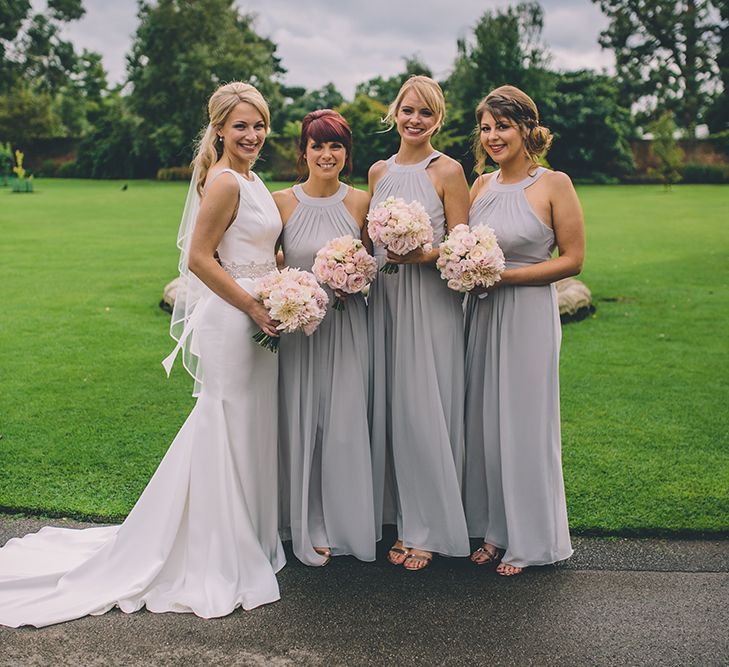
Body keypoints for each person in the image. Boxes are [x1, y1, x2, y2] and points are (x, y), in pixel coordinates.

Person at [0, 82, 285, 627]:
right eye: (241, 126)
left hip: (263, 313)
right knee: (224, 424)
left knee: (249, 425)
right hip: (236, 320)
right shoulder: (225, 181)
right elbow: (201, 260)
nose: (252, 135)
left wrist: (283, 284)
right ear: (220, 128)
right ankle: (215, 548)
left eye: (259, 125)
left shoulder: (252, 179)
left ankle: (246, 531)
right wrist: (253, 304)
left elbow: (251, 248)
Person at [463, 85, 584, 576]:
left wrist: (504, 275)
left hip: (528, 313)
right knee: (486, 423)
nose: (493, 136)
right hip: (483, 313)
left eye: (503, 126)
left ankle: (532, 540)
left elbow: (573, 260)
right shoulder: (480, 187)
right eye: (486, 127)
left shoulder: (554, 184)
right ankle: (494, 528)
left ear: (528, 130)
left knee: (525, 424)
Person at [367, 76, 471, 571]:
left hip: (430, 301)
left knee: (425, 406)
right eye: (408, 110)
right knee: (391, 407)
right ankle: (397, 514)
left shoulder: (448, 170)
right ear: (395, 113)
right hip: (386, 299)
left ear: (438, 119)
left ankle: (427, 526)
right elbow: (370, 244)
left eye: (425, 113)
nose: (415, 120)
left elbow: (462, 246)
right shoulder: (378, 171)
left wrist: (421, 253)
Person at [273, 109, 376, 567]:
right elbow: (261, 263)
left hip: (348, 327)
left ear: (346, 154)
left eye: (336, 146)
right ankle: (299, 521)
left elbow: (378, 265)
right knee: (300, 421)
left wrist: (356, 276)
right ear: (304, 152)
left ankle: (344, 520)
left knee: (343, 424)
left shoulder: (361, 202)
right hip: (299, 331)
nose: (327, 154)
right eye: (318, 145)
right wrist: (284, 292)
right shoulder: (281, 203)